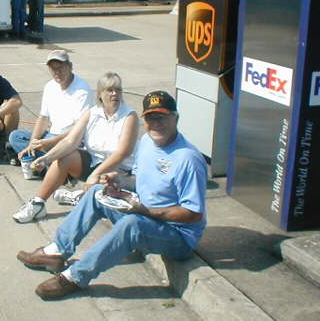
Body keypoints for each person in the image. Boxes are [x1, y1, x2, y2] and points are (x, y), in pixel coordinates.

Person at [16, 90, 207, 300]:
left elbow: (193, 214)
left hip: (177, 236)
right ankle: (56, 251)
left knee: (132, 224)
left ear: (176, 118)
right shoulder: (146, 142)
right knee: (97, 192)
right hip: (145, 214)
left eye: (162, 117)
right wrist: (119, 181)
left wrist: (146, 211)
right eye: (151, 117)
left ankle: (75, 277)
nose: (157, 123)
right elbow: (137, 180)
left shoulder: (188, 159)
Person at [12, 72, 139, 223]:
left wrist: (95, 174)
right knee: (64, 157)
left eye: (118, 89)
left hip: (119, 172)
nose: (115, 94)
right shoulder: (92, 113)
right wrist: (46, 159)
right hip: (94, 164)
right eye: (109, 90)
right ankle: (38, 204)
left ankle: (78, 197)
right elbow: (69, 141)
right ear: (100, 94)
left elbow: (122, 153)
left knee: (103, 197)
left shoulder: (129, 116)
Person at [8, 50, 92, 169]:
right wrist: (33, 143)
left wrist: (51, 142)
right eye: (53, 69)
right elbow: (43, 118)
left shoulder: (82, 91)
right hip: (50, 136)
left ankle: (50, 164)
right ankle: (51, 163)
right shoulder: (50, 87)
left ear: (70, 66)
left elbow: (79, 128)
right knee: (15, 137)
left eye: (60, 68)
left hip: (71, 140)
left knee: (67, 149)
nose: (57, 72)